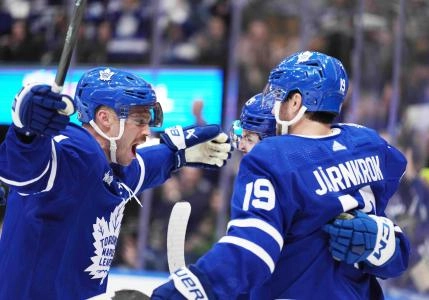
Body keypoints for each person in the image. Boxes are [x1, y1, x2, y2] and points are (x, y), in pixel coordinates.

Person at [151, 51, 410, 299]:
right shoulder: (365, 141)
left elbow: (251, 253)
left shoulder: (272, 156)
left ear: (296, 102)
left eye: (276, 95)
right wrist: (383, 242)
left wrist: (187, 290)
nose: (271, 104)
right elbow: (398, 256)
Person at [0, 66, 232, 300]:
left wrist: (177, 156)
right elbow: (23, 171)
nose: (147, 131)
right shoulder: (76, 153)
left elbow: (144, 166)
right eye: (140, 120)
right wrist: (25, 133)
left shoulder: (113, 164)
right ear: (105, 119)